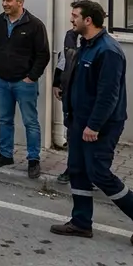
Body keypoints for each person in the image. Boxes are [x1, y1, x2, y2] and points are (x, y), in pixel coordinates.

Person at [50, 0, 133, 246]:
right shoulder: (85, 45)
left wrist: (94, 126)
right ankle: (80, 222)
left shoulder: (108, 51)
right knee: (77, 169)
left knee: (98, 172)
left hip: (100, 126)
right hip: (78, 121)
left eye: (75, 16)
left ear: (88, 20)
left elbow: (108, 95)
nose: (71, 19)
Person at [0, 0, 50, 178]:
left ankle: (33, 159)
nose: (4, 3)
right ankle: (6, 155)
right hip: (1, 81)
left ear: (20, 2)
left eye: (8, 0)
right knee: (5, 120)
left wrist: (31, 77)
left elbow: (43, 54)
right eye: (3, 0)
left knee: (30, 122)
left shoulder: (35, 25)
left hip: (24, 83)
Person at [53, 26, 81, 185]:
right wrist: (56, 83)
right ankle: (72, 168)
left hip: (85, 96)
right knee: (71, 134)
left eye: (75, 16)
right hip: (69, 94)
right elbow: (63, 60)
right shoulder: (70, 36)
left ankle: (92, 173)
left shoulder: (101, 43)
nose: (72, 20)